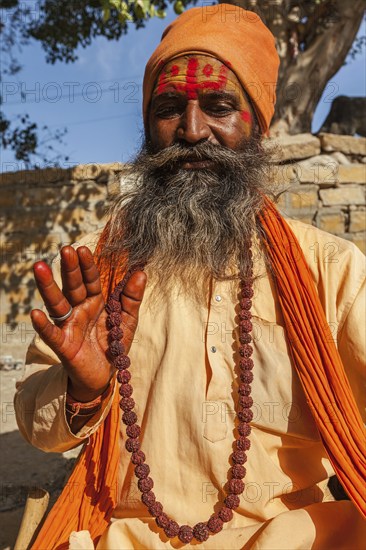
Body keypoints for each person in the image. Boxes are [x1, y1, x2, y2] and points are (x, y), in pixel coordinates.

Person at [14, 4, 365, 549]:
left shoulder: (330, 271)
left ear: (258, 125)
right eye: (170, 107)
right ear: (148, 125)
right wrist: (85, 388)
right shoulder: (94, 270)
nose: (193, 130)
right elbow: (38, 430)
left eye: (220, 106)